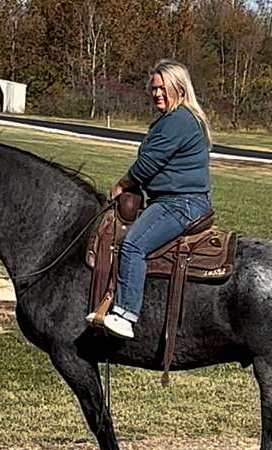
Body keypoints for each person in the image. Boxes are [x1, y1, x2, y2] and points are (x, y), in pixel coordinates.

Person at [89, 59, 212, 339]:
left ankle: (125, 314)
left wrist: (121, 184)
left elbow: (148, 165)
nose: (156, 93)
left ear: (179, 88)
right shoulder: (169, 119)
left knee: (133, 245)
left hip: (180, 203)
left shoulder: (179, 119)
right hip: (170, 200)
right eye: (154, 88)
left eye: (162, 88)